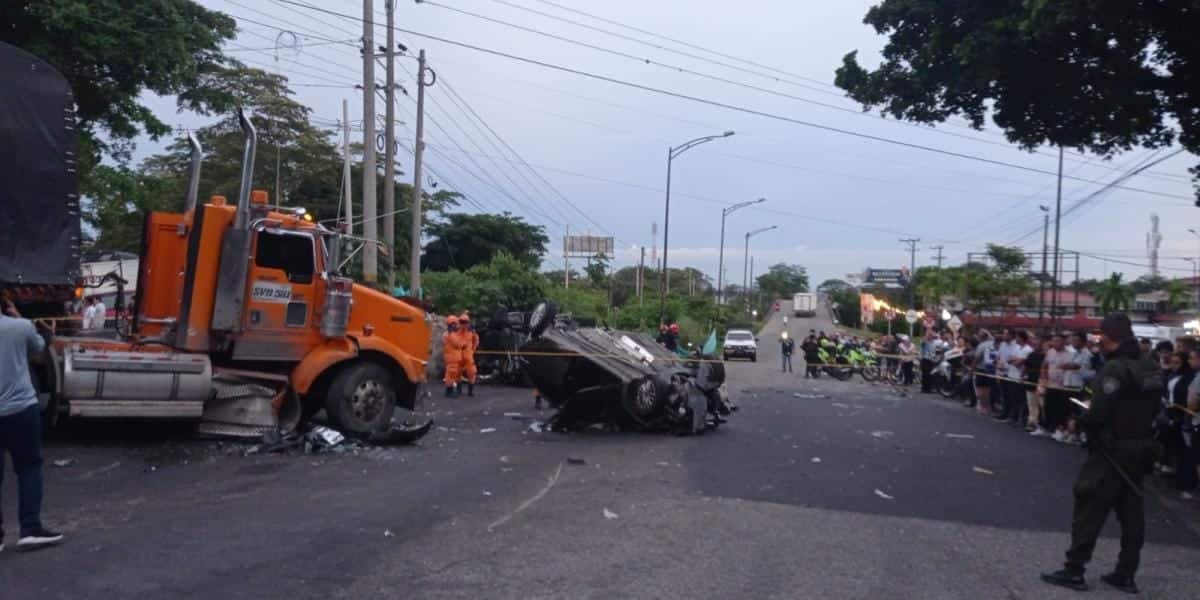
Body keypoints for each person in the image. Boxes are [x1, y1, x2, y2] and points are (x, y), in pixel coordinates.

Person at [1041, 314, 1162, 595]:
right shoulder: (1152, 367)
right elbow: (1157, 409)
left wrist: (1080, 418)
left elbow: (1097, 413)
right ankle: (1126, 573)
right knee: (1132, 512)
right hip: (1141, 448)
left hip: (1111, 450)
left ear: (1108, 335)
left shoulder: (1115, 369)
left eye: (1101, 335)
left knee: (1089, 505)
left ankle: (1074, 570)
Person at [0, 298, 64, 551]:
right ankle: (30, 528)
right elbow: (40, 345)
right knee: (28, 467)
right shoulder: (20, 327)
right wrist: (17, 316)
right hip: (20, 410)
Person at [1059, 332, 1096, 445]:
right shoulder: (1073, 353)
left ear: (1083, 342)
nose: (1073, 342)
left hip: (1080, 387)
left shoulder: (1088, 355)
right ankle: (1071, 432)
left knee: (1079, 412)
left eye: (1076, 340)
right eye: (1073, 340)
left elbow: (1082, 370)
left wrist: (1072, 366)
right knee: (1069, 410)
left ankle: (1079, 434)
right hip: (1069, 385)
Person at [1041, 334, 1075, 439]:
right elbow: (1044, 366)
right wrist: (1044, 379)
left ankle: (1060, 429)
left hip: (1064, 386)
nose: (1055, 343)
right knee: (1048, 406)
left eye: (1058, 341)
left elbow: (1072, 368)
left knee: (1061, 409)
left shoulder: (1070, 354)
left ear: (1064, 342)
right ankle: (1049, 428)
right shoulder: (1050, 352)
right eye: (1054, 341)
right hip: (1051, 384)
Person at [1023, 334, 1047, 432]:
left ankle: (1043, 423)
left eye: (1040, 344)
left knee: (1043, 404)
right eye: (1036, 344)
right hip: (1030, 380)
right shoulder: (1031, 354)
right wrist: (1022, 375)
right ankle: (1032, 422)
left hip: (1042, 382)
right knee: (1031, 403)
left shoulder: (1047, 355)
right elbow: (1026, 366)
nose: (1037, 345)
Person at [442, 316, 466, 397]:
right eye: (456, 324)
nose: (457, 326)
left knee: (451, 374)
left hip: (452, 357)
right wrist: (463, 343)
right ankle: (449, 391)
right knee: (451, 374)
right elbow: (458, 344)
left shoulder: (449, 333)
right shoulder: (451, 334)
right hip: (452, 357)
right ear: (452, 324)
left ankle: (449, 390)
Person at [974, 330, 995, 416]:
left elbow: (977, 358)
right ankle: (989, 407)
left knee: (981, 390)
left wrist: (972, 367)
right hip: (992, 370)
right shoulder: (993, 343)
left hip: (981, 369)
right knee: (989, 389)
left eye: (979, 336)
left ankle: (984, 407)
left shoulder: (981, 345)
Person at [458, 313, 480, 397]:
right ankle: (459, 390)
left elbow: (476, 340)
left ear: (468, 322)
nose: (463, 324)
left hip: (468, 356)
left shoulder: (471, 332)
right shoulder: (456, 331)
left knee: (471, 372)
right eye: (461, 322)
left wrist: (472, 350)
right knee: (457, 373)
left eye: (465, 322)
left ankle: (470, 391)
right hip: (459, 356)